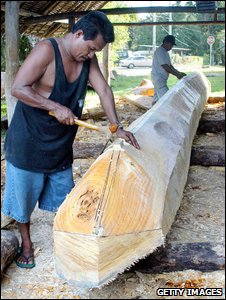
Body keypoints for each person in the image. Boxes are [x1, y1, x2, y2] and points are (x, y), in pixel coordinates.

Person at [2, 11, 140, 269]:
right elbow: (18, 88)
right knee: (22, 201)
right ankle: (27, 244)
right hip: (28, 142)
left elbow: (104, 90)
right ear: (78, 34)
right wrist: (54, 106)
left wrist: (116, 127)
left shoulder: (88, 59)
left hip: (60, 145)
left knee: (67, 200)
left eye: (95, 51)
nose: (90, 55)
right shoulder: (46, 50)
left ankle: (67, 242)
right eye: (89, 48)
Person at [151, 35, 187, 106]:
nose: (171, 47)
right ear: (166, 42)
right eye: (171, 45)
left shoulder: (164, 52)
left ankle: (152, 113)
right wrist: (177, 75)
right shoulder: (160, 52)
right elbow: (165, 67)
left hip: (159, 79)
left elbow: (170, 66)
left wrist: (178, 73)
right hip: (159, 79)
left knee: (157, 99)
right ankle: (164, 115)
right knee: (166, 99)